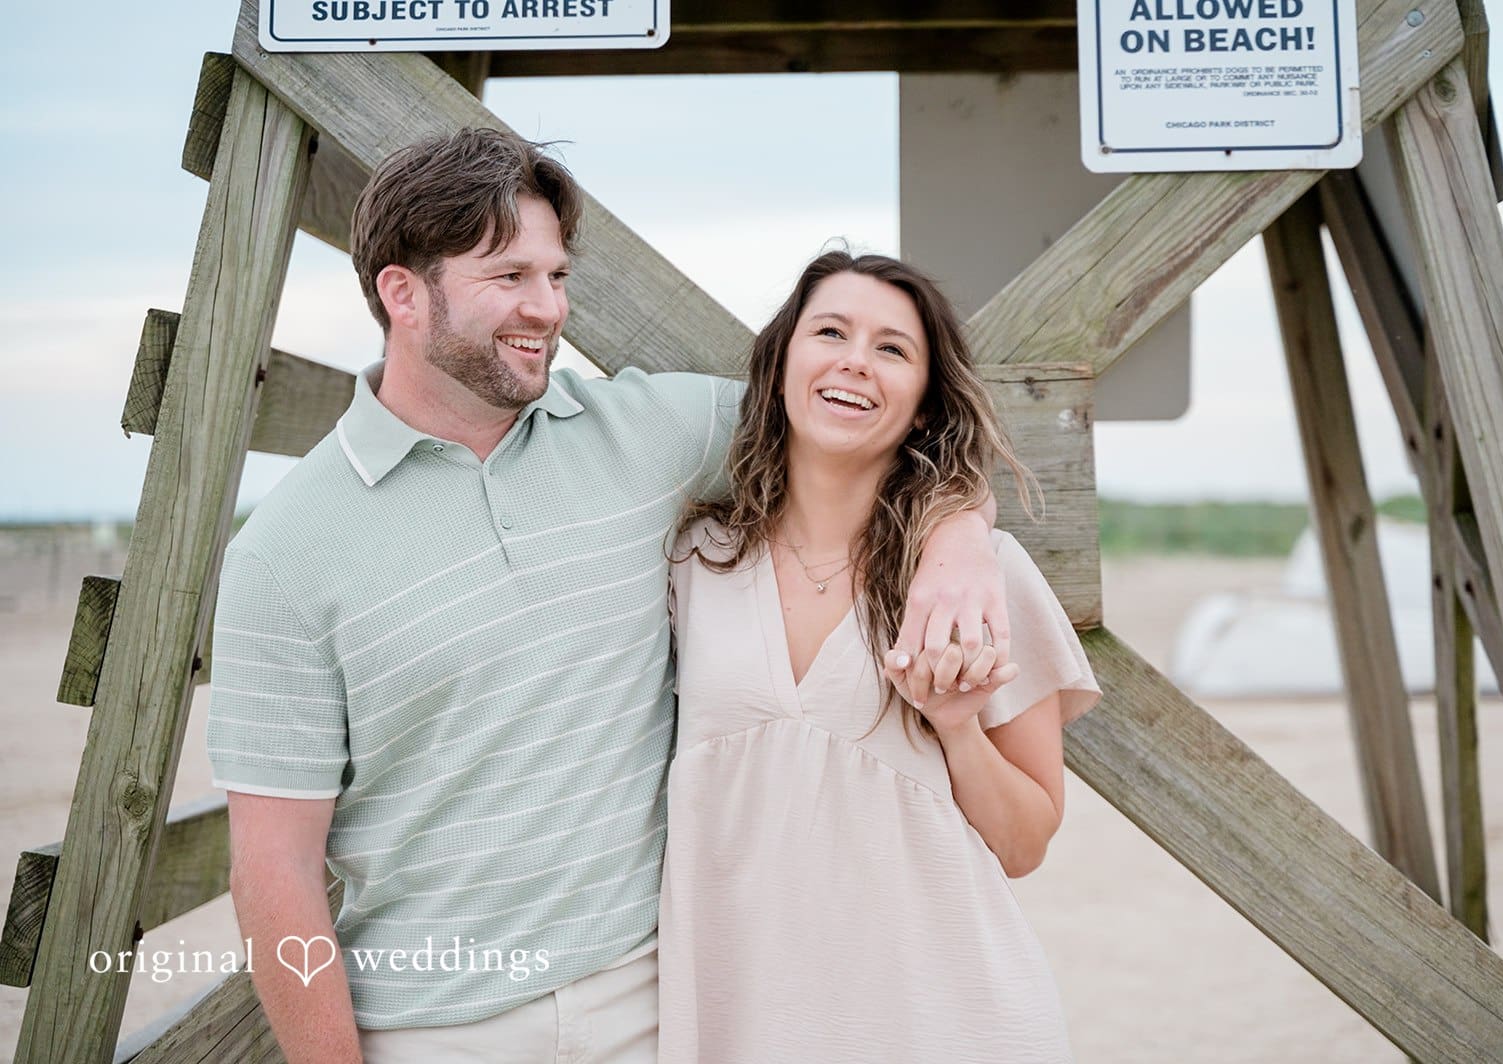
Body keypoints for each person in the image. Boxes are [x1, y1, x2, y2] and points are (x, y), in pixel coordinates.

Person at [205, 129, 1009, 1063]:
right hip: (431, 1028)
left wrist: (961, 541)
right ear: (402, 293)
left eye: (556, 274)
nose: (548, 308)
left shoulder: (646, 433)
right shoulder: (284, 551)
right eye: (509, 276)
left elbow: (874, 436)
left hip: (662, 1002)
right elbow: (276, 869)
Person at [661, 251, 1102, 1063]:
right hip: (742, 1023)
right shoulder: (691, 562)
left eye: (893, 348)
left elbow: (1025, 845)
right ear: (783, 362)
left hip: (944, 1022)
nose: (855, 359)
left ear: (925, 407)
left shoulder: (984, 575)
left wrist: (958, 730)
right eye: (831, 331)